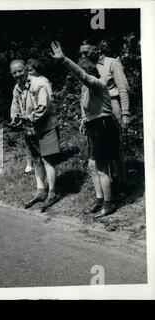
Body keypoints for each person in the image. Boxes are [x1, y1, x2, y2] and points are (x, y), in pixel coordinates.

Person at [51, 41, 119, 218]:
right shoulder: (86, 88)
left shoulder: (98, 83)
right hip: (93, 126)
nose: (80, 76)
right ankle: (99, 199)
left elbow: (82, 76)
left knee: (102, 167)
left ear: (89, 71)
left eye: (83, 70)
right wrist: (83, 121)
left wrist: (65, 60)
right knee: (91, 165)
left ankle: (109, 203)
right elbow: (84, 106)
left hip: (103, 125)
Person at [80, 39, 131, 197]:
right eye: (81, 53)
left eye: (86, 52)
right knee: (100, 153)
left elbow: (123, 88)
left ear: (95, 49)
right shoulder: (87, 67)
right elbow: (83, 95)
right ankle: (108, 186)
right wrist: (83, 117)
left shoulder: (111, 63)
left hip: (112, 108)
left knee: (115, 149)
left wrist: (125, 113)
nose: (83, 55)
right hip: (94, 113)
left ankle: (123, 184)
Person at [9, 59, 61, 211]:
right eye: (14, 73)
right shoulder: (17, 88)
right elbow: (15, 105)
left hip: (46, 126)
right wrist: (15, 117)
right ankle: (40, 191)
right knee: (36, 159)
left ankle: (52, 193)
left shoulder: (39, 83)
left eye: (20, 71)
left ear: (26, 69)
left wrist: (27, 117)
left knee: (48, 159)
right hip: (30, 129)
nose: (18, 74)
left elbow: (43, 107)